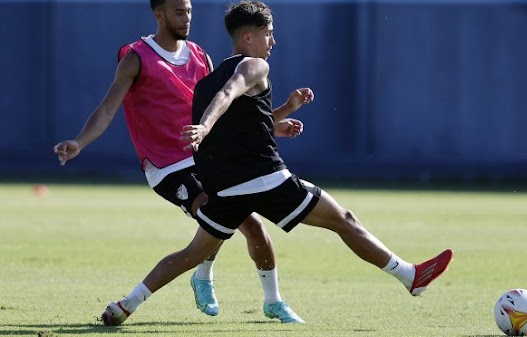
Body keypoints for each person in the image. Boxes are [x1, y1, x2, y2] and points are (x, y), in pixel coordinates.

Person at [177, 0, 453, 316]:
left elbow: (247, 123)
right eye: (268, 33)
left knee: (209, 246)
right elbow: (226, 98)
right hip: (261, 177)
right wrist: (204, 127)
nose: (273, 41)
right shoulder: (251, 68)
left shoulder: (219, 75)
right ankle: (409, 275)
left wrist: (287, 110)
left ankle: (136, 300)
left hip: (233, 180)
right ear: (248, 38)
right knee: (342, 220)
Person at [53, 0, 308, 325]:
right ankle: (199, 276)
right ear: (158, 14)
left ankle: (273, 301)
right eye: (178, 11)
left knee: (254, 226)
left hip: (206, 158)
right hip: (167, 167)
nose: (186, 17)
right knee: (209, 212)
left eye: (188, 10)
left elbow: (228, 113)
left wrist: (273, 124)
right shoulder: (136, 57)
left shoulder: (200, 56)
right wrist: (79, 142)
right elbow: (107, 109)